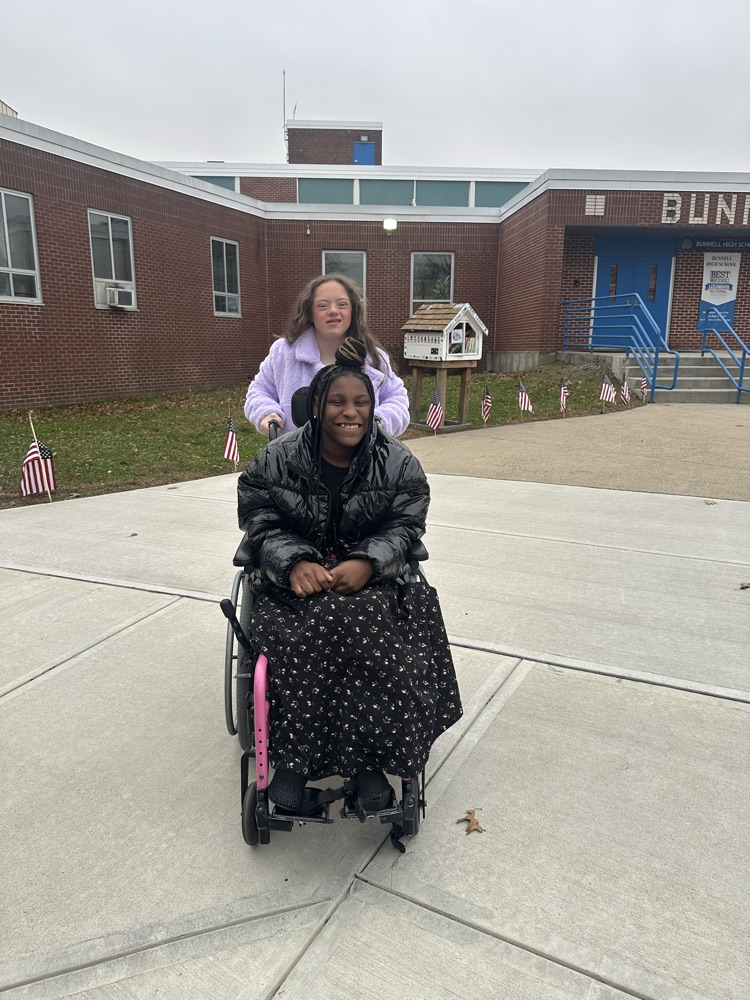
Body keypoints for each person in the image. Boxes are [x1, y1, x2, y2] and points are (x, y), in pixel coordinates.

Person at [237, 337, 461, 812]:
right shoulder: (276, 459)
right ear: (316, 406)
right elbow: (259, 519)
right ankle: (294, 764)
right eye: (338, 401)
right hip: (295, 585)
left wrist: (369, 561)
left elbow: (406, 524)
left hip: (370, 583)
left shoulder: (398, 462)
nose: (350, 412)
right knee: (307, 631)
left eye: (361, 402)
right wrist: (293, 561)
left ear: (373, 407)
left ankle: (367, 766)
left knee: (369, 629)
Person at [244, 273, 410, 438]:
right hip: (292, 451)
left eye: (342, 304)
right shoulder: (283, 352)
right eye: (322, 305)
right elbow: (259, 390)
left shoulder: (373, 358)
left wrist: (379, 422)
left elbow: (396, 398)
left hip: (362, 453)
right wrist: (267, 414)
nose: (333, 311)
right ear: (309, 313)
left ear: (353, 311)